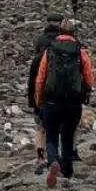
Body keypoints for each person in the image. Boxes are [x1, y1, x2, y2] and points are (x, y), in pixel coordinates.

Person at [30, 17, 95, 188]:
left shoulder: (49, 50)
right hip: (73, 102)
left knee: (51, 135)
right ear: (73, 32)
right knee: (67, 136)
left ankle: (53, 161)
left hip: (51, 100)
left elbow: (41, 77)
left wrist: (38, 98)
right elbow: (89, 76)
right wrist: (85, 92)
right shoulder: (80, 51)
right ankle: (67, 171)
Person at [26, 11, 65, 173]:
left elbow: (34, 78)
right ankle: (61, 156)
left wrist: (33, 99)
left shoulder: (40, 45)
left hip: (43, 94)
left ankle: (41, 157)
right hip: (64, 93)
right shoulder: (69, 45)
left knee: (41, 126)